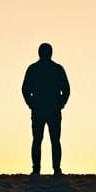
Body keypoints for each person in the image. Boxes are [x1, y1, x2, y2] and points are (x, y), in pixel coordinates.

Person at [21, 42, 70, 176]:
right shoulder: (56, 69)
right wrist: (60, 103)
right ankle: (51, 169)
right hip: (47, 109)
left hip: (45, 109)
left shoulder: (35, 69)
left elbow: (66, 90)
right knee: (47, 140)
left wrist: (61, 103)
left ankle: (45, 169)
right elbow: (25, 89)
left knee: (43, 140)